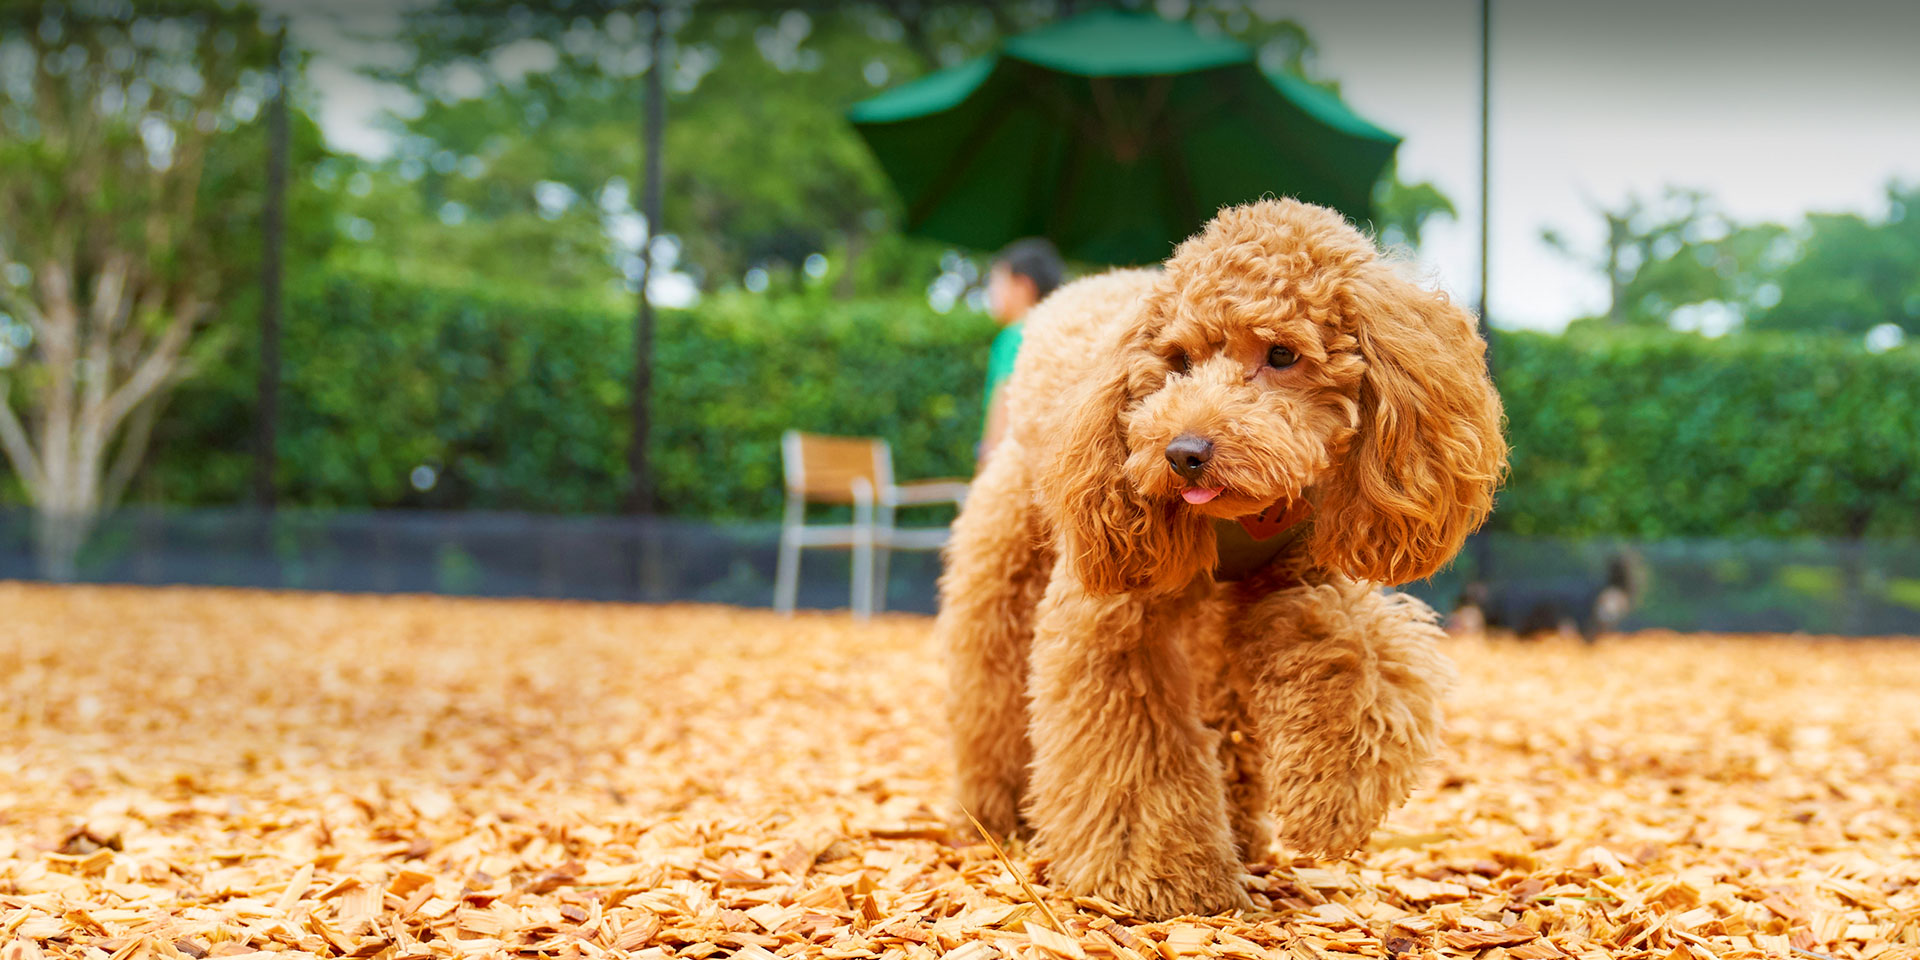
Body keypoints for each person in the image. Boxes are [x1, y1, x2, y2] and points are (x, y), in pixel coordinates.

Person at [979, 237, 1066, 468]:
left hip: (1011, 468)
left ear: (1023, 286)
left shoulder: (1014, 336)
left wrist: (985, 472)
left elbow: (1003, 407)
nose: (991, 293)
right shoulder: (1061, 331)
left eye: (997, 283)